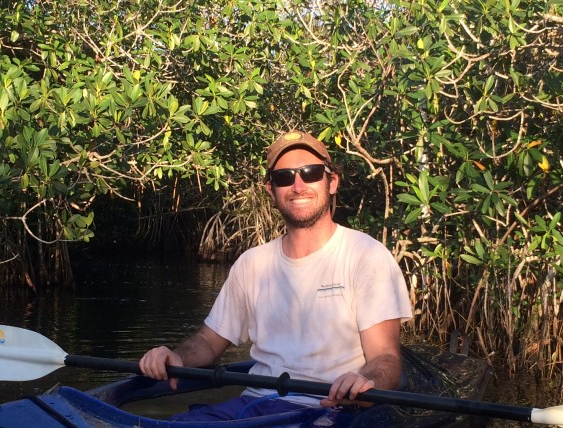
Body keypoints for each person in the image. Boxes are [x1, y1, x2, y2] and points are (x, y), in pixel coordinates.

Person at [139, 130, 412, 421]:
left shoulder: (366, 255)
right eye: (284, 177)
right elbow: (208, 342)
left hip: (329, 410)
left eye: (310, 173)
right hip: (253, 404)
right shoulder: (251, 263)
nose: (298, 185)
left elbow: (385, 358)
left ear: (332, 182)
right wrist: (176, 356)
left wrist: (365, 382)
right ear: (271, 190)